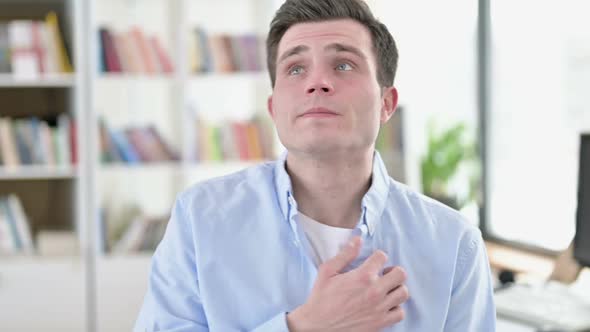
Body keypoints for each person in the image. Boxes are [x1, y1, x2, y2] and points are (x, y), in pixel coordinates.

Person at [134, 0, 496, 331]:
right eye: (295, 68)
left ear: (387, 103)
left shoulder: (454, 246)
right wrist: (304, 326)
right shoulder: (199, 220)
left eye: (343, 64)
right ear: (274, 108)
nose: (318, 83)